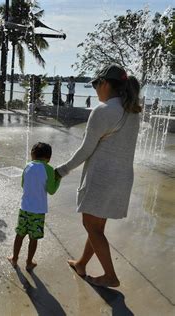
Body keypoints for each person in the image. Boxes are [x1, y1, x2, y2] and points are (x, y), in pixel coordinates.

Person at [55, 64, 141, 287]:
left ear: (105, 83)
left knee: (92, 227)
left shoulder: (103, 111)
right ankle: (82, 264)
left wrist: (61, 171)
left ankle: (110, 276)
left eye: (95, 84)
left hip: (102, 180)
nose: (94, 89)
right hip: (121, 180)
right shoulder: (131, 111)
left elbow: (86, 149)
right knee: (97, 228)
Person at [7, 142, 60, 270]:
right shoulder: (49, 169)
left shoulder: (27, 166)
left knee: (19, 235)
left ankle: (14, 258)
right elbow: (51, 190)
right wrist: (58, 179)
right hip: (38, 211)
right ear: (48, 158)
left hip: (24, 208)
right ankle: (29, 262)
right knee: (33, 238)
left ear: (32, 154)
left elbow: (22, 184)